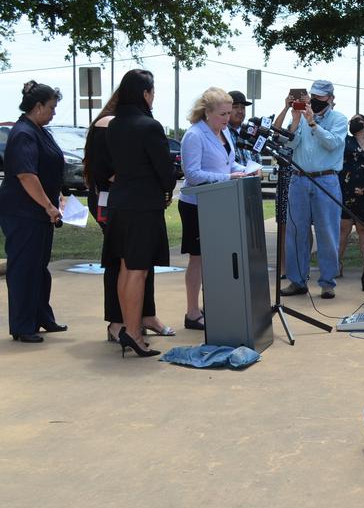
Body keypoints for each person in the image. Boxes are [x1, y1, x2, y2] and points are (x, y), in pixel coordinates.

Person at [83, 88, 174, 342]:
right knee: (120, 261)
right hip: (113, 198)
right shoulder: (107, 124)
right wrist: (132, 181)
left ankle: (145, 315)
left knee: (140, 261)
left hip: (132, 199)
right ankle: (118, 321)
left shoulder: (124, 124)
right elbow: (101, 168)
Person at [103, 69, 176, 358]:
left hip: (120, 203)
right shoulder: (149, 126)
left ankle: (127, 329)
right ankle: (133, 333)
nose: (154, 95)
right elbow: (164, 171)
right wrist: (168, 184)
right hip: (142, 206)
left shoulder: (114, 124)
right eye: (153, 91)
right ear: (145, 94)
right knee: (137, 271)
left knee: (125, 268)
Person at [0, 81, 66, 343]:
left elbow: (49, 167)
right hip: (22, 213)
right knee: (24, 269)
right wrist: (48, 205)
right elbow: (27, 175)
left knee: (39, 268)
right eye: (51, 107)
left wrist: (58, 196)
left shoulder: (40, 131)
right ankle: (22, 325)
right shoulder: (23, 134)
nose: (54, 113)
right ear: (37, 106)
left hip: (39, 214)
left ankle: (41, 317)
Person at [178, 87, 249, 330]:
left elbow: (228, 163)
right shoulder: (194, 135)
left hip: (220, 203)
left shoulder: (225, 132)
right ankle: (192, 311)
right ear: (206, 112)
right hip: (196, 206)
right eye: (222, 114)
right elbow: (193, 174)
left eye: (229, 113)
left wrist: (248, 168)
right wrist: (228, 178)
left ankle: (215, 306)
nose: (227, 118)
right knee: (197, 260)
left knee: (217, 258)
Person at [274, 80, 347, 299]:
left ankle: (327, 282)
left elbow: (333, 143)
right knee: (296, 232)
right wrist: (292, 115)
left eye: (321, 97)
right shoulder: (301, 118)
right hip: (299, 179)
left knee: (327, 232)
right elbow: (285, 143)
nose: (315, 100)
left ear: (331, 98)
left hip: (326, 180)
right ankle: (297, 281)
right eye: (312, 96)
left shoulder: (339, 119)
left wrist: (313, 123)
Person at [338, 113, 364, 292]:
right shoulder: (345, 141)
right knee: (343, 229)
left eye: (358, 120)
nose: (354, 123)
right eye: (351, 121)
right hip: (345, 189)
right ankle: (335, 266)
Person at [226, 90, 257, 164]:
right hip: (232, 175)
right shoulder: (221, 132)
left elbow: (256, 157)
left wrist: (258, 170)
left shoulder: (250, 131)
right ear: (226, 110)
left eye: (243, 107)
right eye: (235, 107)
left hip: (252, 175)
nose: (240, 111)